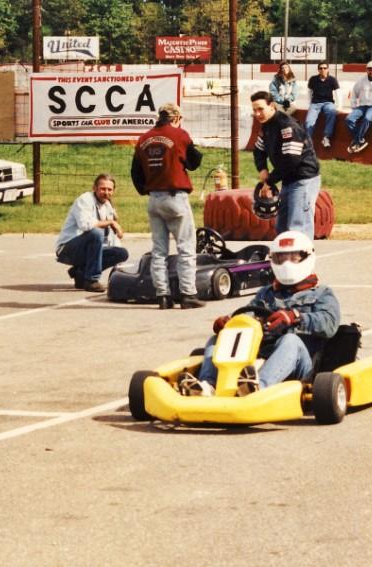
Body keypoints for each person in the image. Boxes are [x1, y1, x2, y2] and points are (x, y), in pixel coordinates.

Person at [178, 230, 341, 397]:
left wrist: (296, 317)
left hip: (302, 366)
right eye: (281, 258)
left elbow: (330, 324)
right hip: (258, 356)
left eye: (293, 257)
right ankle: (208, 386)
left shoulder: (322, 293)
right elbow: (248, 315)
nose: (287, 264)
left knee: (290, 340)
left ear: (307, 257)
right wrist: (230, 323)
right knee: (218, 338)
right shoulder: (266, 293)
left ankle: (258, 388)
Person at [131, 103, 205, 310]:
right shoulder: (179, 134)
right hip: (176, 197)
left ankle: (163, 295)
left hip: (154, 198)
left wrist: (146, 189)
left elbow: (136, 172)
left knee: (159, 250)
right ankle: (188, 293)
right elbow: (193, 162)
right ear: (176, 118)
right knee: (186, 247)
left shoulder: (144, 138)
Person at [251, 90, 321, 238]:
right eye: (254, 110)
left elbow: (290, 161)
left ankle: (301, 258)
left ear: (272, 106)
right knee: (282, 227)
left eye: (260, 109)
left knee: (297, 227)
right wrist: (262, 168)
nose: (257, 114)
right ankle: (283, 260)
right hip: (288, 181)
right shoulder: (266, 126)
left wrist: (269, 182)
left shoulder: (287, 125)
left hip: (303, 180)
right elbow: (258, 150)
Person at [55, 173, 129, 292]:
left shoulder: (108, 206)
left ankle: (81, 273)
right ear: (94, 188)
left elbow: (111, 237)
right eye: (102, 189)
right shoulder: (85, 199)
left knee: (121, 253)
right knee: (95, 233)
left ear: (114, 191)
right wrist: (111, 223)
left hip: (88, 249)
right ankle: (91, 280)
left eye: (109, 189)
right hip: (68, 249)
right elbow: (85, 225)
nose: (106, 192)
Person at [345, 61, 372, 154]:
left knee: (367, 118)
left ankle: (357, 140)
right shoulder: (361, 80)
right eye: (369, 69)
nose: (371, 71)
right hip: (362, 106)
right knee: (349, 119)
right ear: (366, 70)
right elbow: (354, 92)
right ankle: (360, 140)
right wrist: (353, 106)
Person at [304, 61, 339, 148]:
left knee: (332, 112)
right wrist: (309, 103)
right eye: (320, 68)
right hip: (315, 103)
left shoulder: (332, 80)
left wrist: (339, 106)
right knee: (309, 122)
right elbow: (309, 91)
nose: (322, 70)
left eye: (324, 68)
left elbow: (338, 93)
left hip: (328, 102)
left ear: (328, 69)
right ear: (318, 70)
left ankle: (326, 137)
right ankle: (308, 142)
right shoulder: (313, 79)